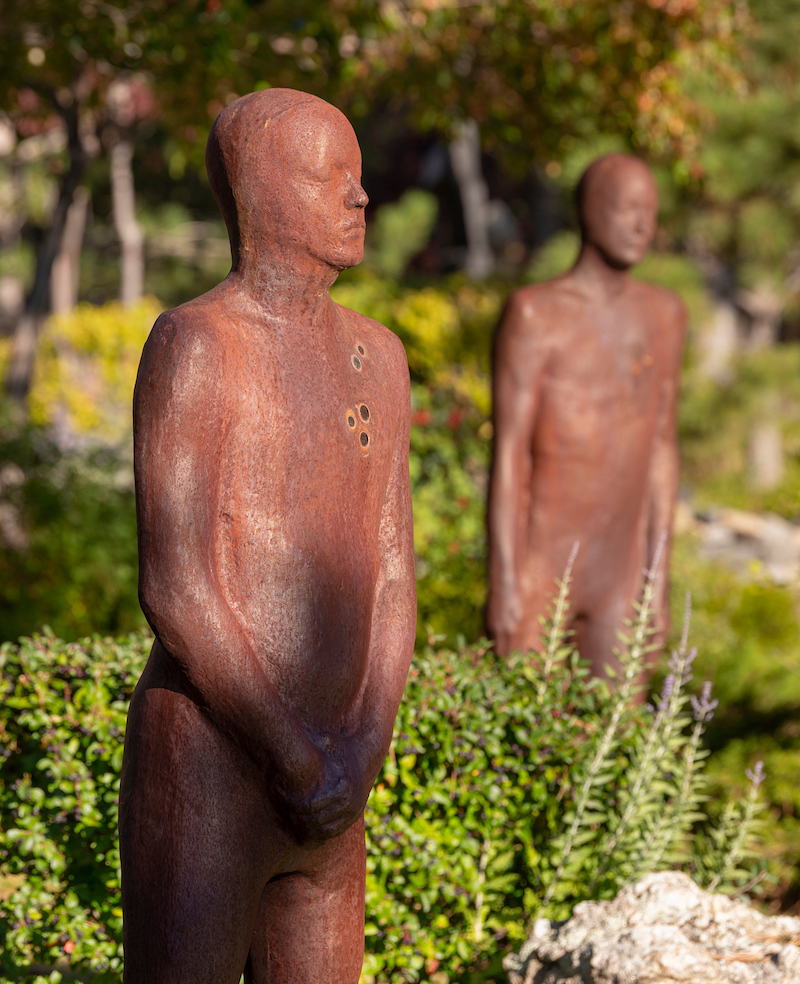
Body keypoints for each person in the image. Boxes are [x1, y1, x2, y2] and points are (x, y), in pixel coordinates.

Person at [119, 88, 416, 984]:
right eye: (337, 175)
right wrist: (295, 755)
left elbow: (394, 573)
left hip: (335, 782)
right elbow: (176, 585)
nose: (361, 196)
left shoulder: (382, 355)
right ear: (264, 190)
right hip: (212, 769)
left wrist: (362, 749)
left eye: (360, 176)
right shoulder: (199, 344)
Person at [487, 154, 685, 677]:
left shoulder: (664, 316)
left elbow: (663, 448)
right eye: (627, 209)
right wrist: (506, 582)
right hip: (541, 566)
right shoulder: (536, 316)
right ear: (591, 211)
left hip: (620, 572)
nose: (643, 224)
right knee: (526, 735)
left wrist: (656, 578)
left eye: (651, 210)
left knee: (616, 737)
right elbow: (509, 454)